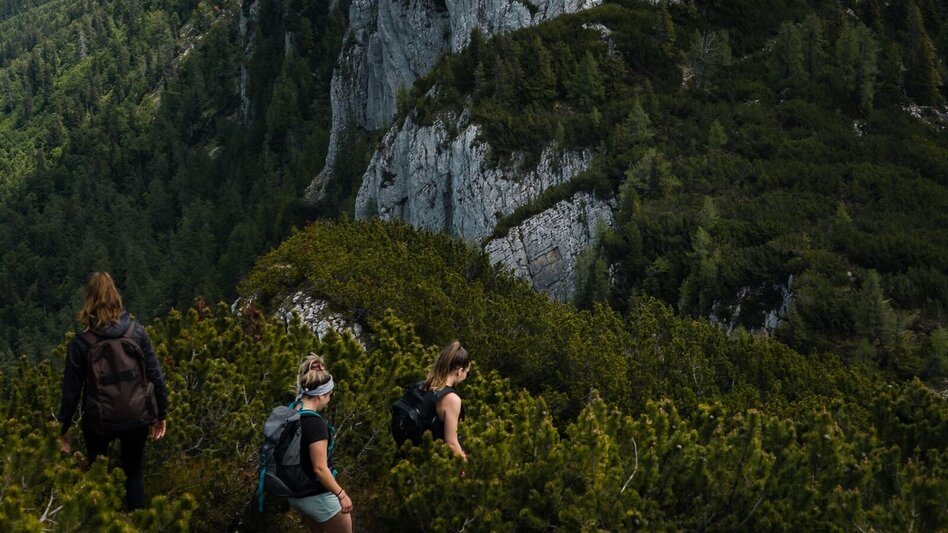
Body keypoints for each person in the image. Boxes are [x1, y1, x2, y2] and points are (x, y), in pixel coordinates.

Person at [57, 272, 168, 510]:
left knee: (98, 474)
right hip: (138, 415)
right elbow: (156, 376)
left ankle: (104, 521)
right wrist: (161, 415)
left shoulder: (82, 343)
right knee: (134, 471)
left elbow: (71, 392)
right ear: (116, 297)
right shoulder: (137, 333)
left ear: (90, 302)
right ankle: (138, 523)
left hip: (99, 421)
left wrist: (62, 428)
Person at [289, 354, 353, 533]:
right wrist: (342, 495)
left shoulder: (290, 412)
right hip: (318, 496)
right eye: (330, 394)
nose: (330, 398)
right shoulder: (316, 424)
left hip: (295, 495)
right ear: (321, 395)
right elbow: (319, 468)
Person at [421, 340, 471, 460]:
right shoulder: (452, 399)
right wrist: (464, 464)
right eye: (467, 373)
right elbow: (451, 443)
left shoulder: (425, 385)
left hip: (414, 454)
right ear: (459, 372)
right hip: (433, 462)